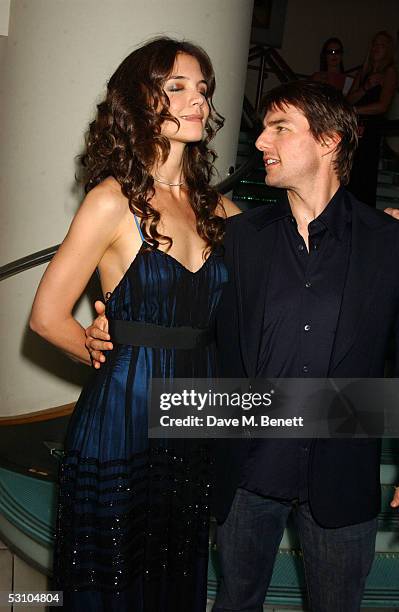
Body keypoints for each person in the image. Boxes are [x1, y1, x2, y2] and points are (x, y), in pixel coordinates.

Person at [87, 80, 399, 612]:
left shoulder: (388, 242)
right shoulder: (238, 237)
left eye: (280, 128)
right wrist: (118, 328)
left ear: (328, 141)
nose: (259, 142)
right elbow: (192, 321)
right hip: (247, 468)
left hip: (344, 468)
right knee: (235, 602)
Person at [30, 36, 239, 612]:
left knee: (174, 571)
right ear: (142, 102)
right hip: (123, 418)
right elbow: (47, 316)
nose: (197, 100)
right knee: (116, 580)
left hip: (195, 417)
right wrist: (102, 352)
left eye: (202, 89)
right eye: (177, 88)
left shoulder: (219, 208)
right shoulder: (111, 200)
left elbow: (293, 253)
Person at [347, 30, 398, 206]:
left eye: (382, 45)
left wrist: (356, 110)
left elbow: (383, 106)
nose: (377, 48)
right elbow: (348, 99)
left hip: (371, 130)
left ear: (388, 50)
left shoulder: (389, 72)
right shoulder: (364, 72)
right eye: (375, 44)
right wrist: (366, 87)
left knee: (364, 176)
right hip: (355, 129)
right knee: (350, 173)